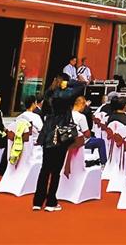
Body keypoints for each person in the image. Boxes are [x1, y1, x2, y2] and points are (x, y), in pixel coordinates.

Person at [33, 76, 85, 211]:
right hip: (61, 132)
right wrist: (70, 83)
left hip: (47, 132)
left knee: (45, 169)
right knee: (56, 170)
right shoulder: (66, 95)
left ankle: (37, 201)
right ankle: (51, 202)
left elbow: (44, 111)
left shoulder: (49, 93)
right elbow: (81, 85)